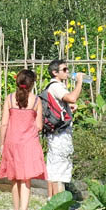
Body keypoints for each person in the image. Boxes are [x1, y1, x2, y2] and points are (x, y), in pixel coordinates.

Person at [0, 69, 47, 210]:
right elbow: (39, 126)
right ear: (32, 84)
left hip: (12, 142)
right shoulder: (36, 101)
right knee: (26, 180)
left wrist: (1, 143)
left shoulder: (10, 98)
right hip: (29, 143)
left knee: (14, 178)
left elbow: (4, 123)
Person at [44, 59, 84, 200]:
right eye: (64, 70)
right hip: (60, 134)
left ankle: (52, 200)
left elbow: (62, 104)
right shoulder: (56, 86)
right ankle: (58, 203)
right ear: (55, 72)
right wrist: (79, 81)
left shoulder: (52, 86)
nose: (68, 72)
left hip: (55, 133)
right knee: (59, 170)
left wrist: (68, 108)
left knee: (53, 167)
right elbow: (72, 98)